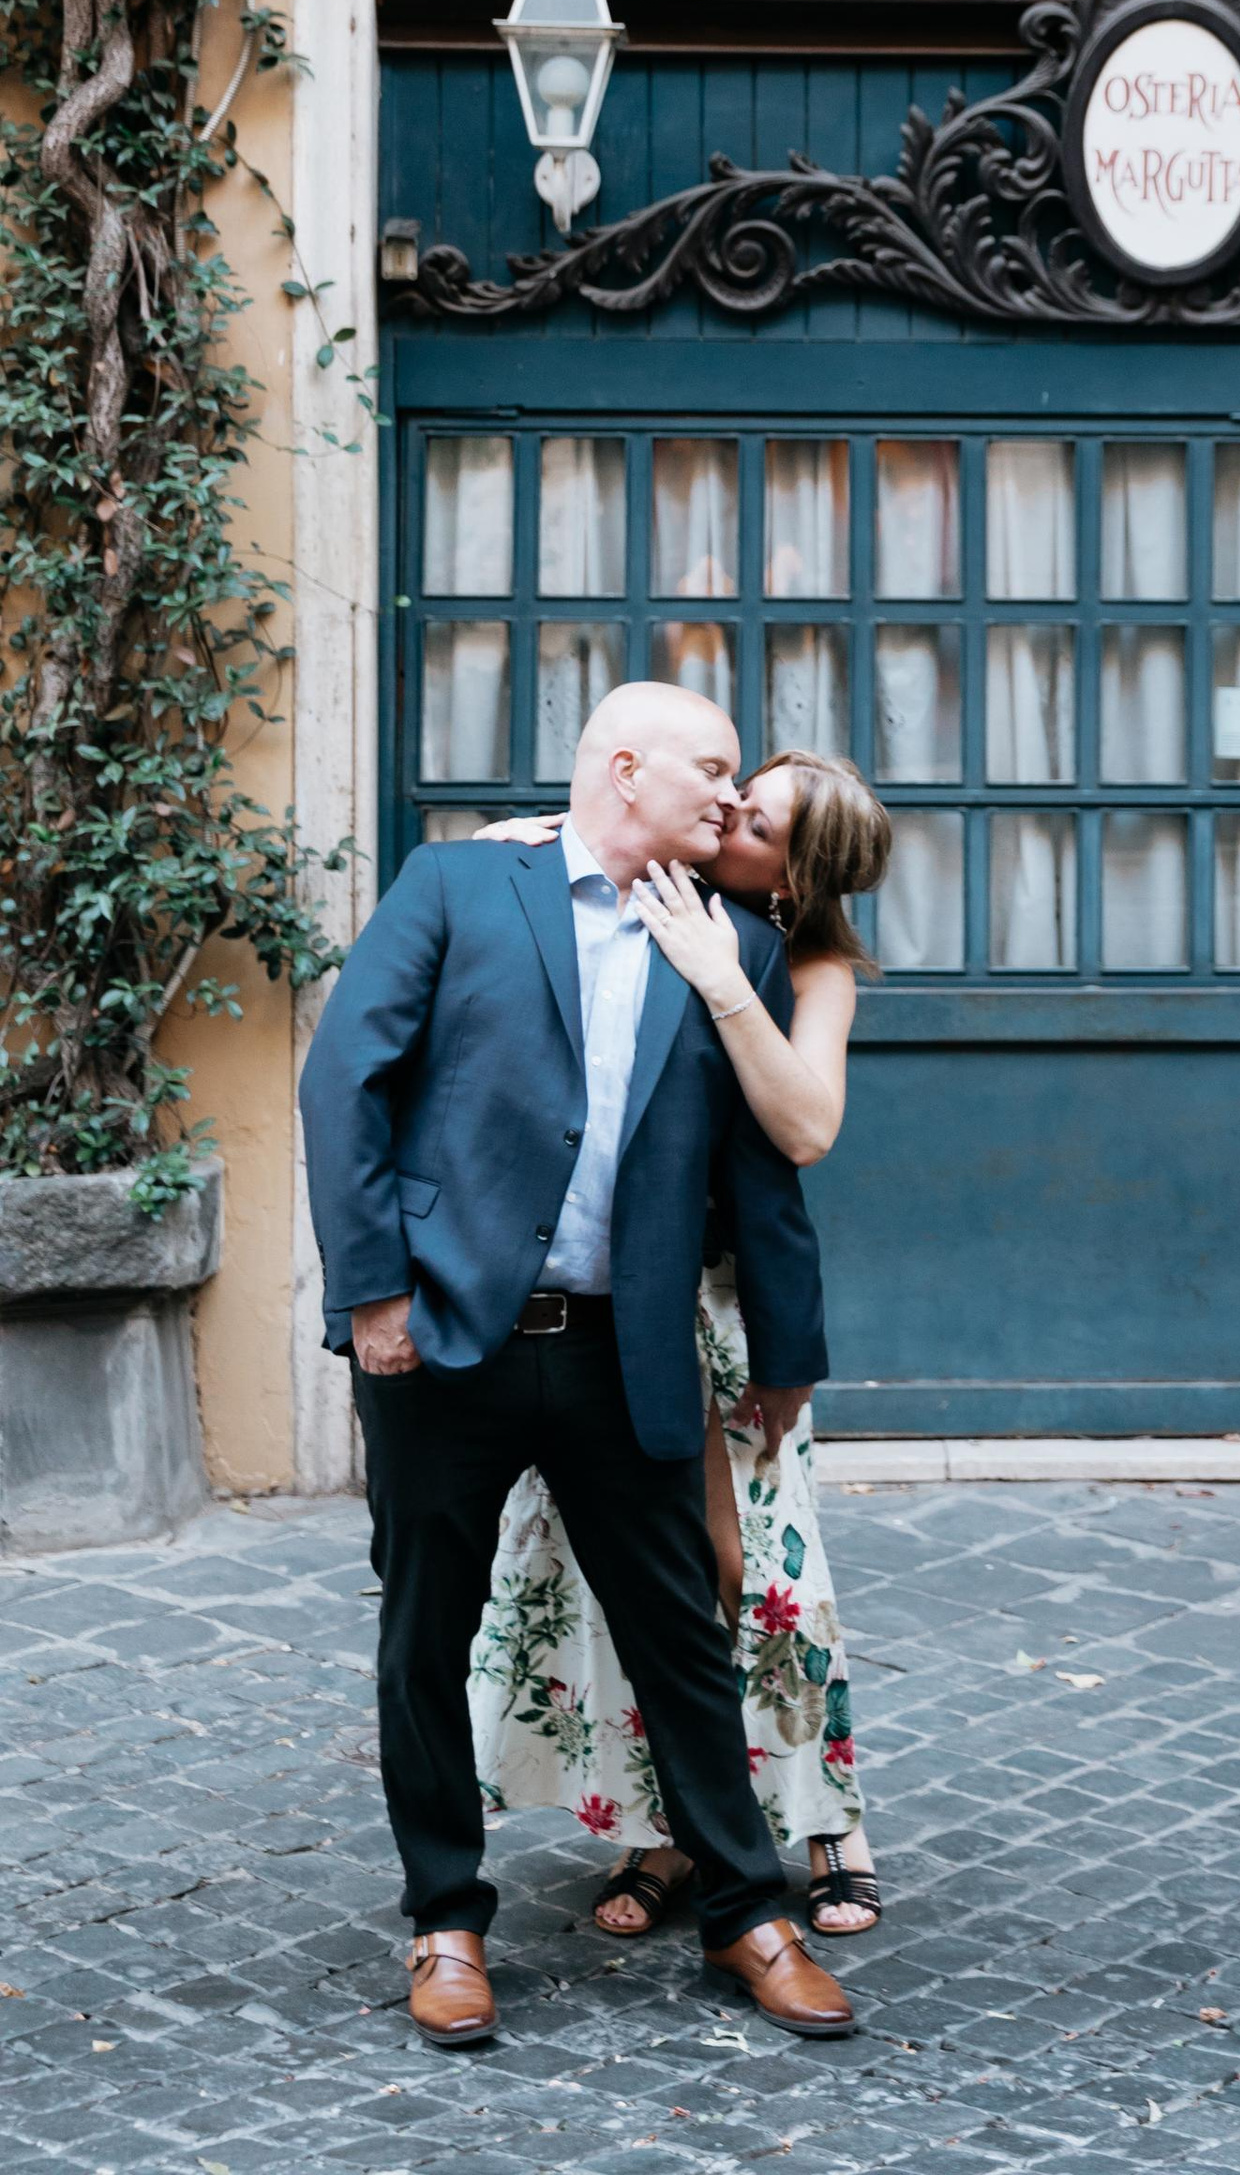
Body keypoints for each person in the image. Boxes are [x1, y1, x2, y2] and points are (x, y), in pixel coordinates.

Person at [299, 682, 857, 2052]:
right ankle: (445, 1920)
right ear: (624, 768)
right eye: (712, 771)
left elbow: (761, 1173)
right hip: (444, 1343)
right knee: (425, 1633)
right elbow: (342, 1085)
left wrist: (786, 1358)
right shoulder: (459, 888)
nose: (732, 800)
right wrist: (375, 1296)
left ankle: (745, 1910)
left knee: (681, 1632)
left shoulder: (725, 940)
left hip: (629, 1350)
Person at [465, 750, 892, 1939]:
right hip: (599, 1300)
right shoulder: (653, 888)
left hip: (719, 1308)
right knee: (619, 1577)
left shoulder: (804, 962)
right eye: (736, 793)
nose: (727, 814)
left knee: (760, 1572)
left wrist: (722, 981)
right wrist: (547, 821)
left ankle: (827, 1823)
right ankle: (669, 1829)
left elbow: (805, 1128)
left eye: (757, 821)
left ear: (794, 877)